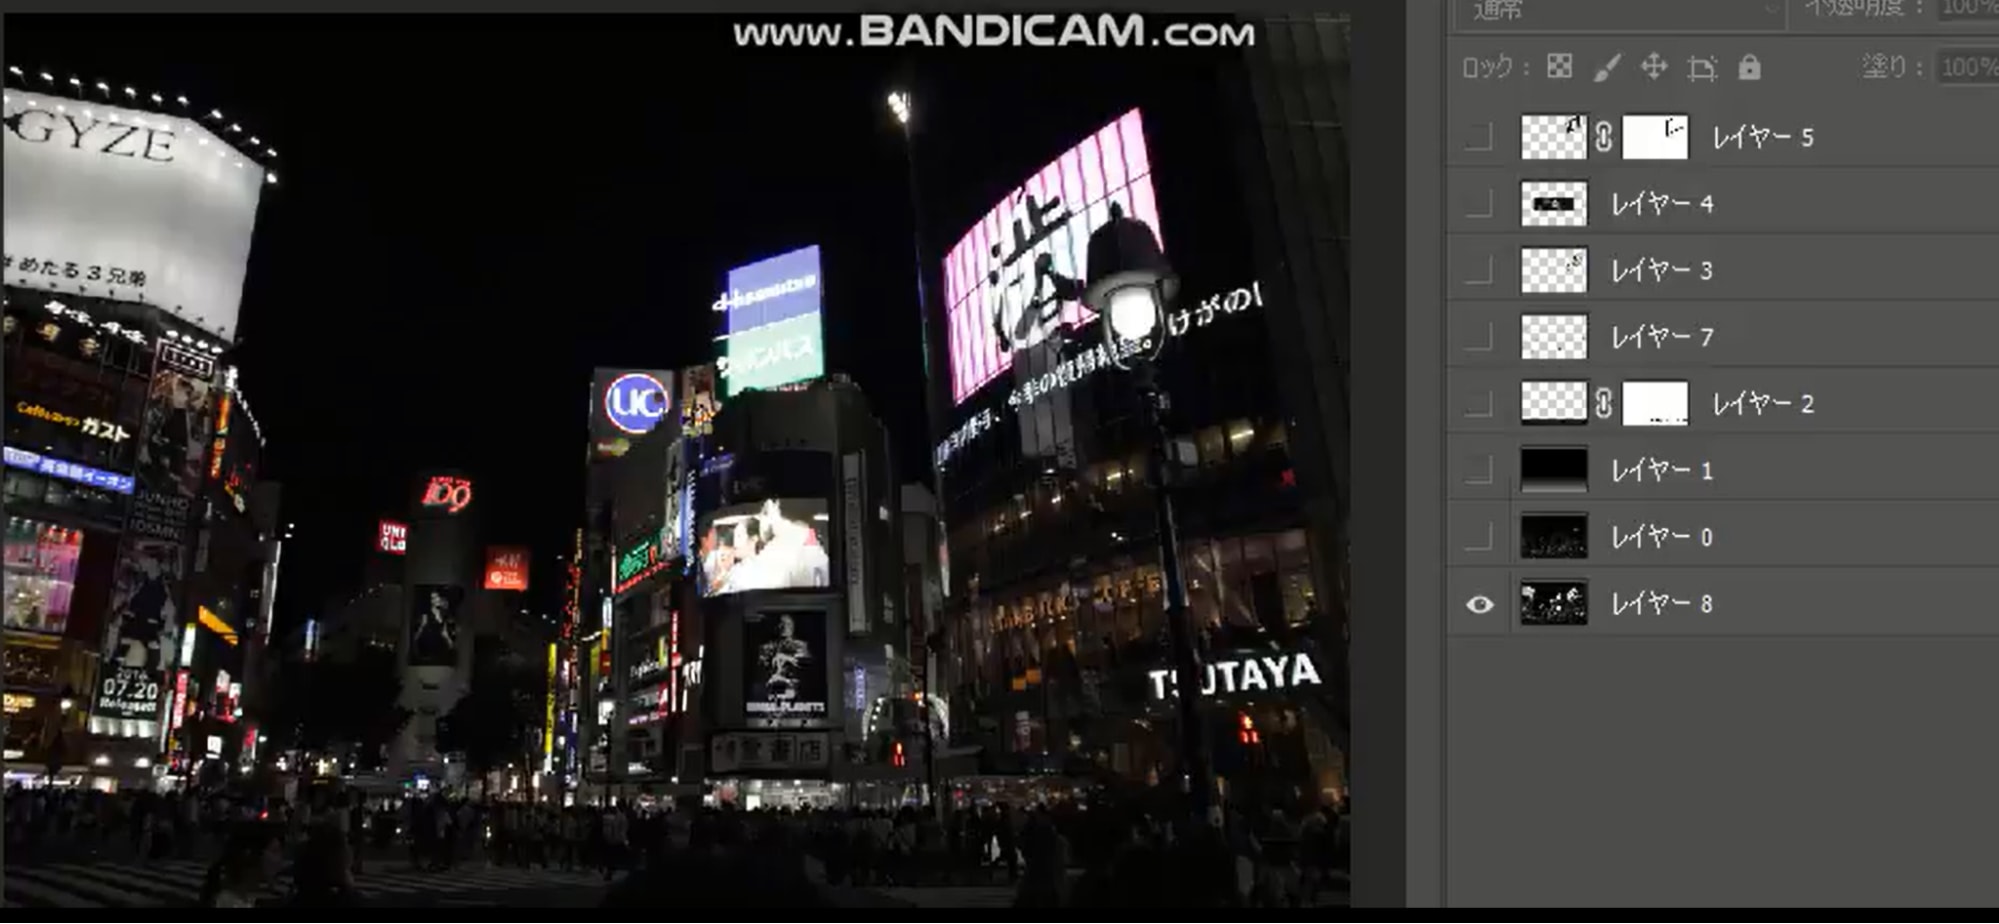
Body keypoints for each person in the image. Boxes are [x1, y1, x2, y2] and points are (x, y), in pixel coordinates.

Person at [200, 823, 282, 908]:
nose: (280, 859)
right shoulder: (231, 903)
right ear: (252, 856)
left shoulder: (232, 897)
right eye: (274, 851)